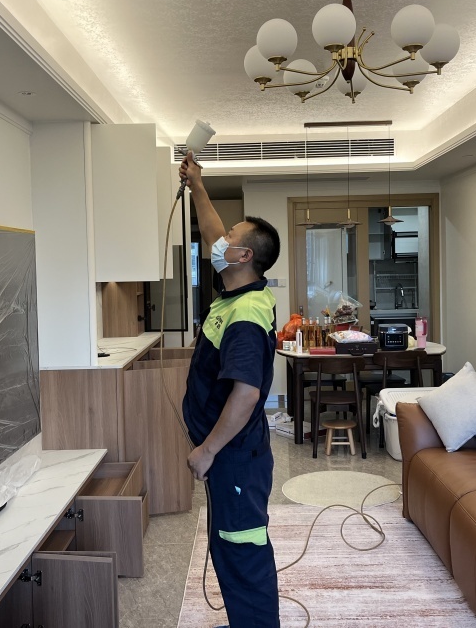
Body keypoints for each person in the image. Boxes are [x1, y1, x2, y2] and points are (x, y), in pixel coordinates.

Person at [179, 151, 282, 628]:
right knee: (229, 545)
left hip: (233, 455)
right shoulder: (239, 293)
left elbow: (246, 393)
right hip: (231, 454)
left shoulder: (245, 315)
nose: (219, 242)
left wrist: (207, 450)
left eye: (231, 238)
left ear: (243, 257)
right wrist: (197, 184)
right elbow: (211, 232)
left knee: (243, 551)